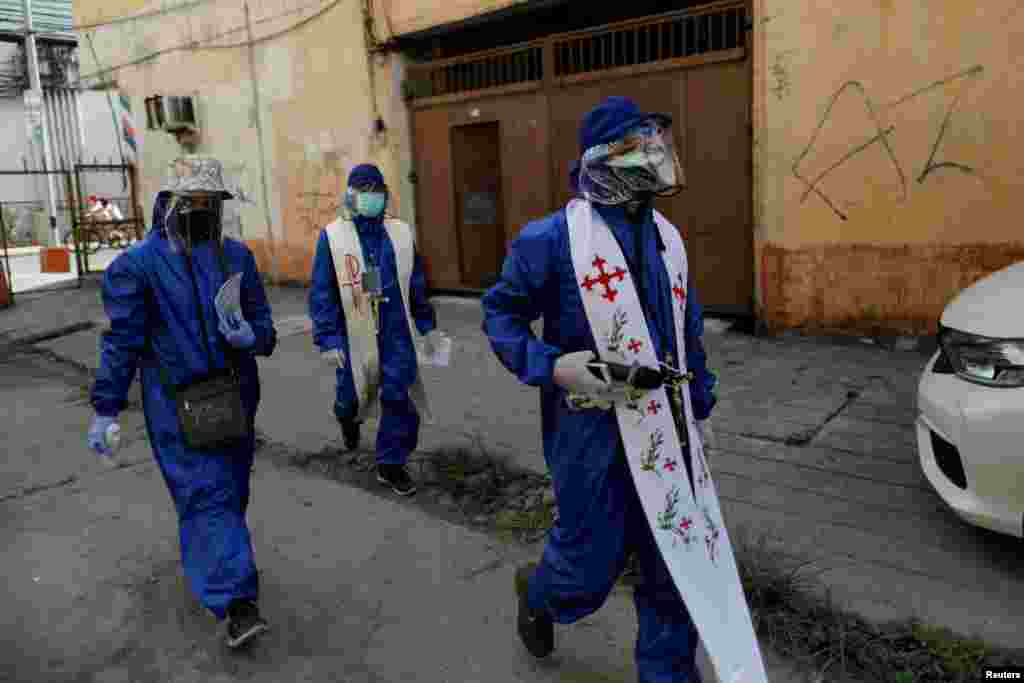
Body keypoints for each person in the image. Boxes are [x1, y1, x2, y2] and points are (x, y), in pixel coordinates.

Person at [482, 97, 719, 682]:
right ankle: (540, 595)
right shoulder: (553, 239)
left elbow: (686, 330)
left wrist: (702, 406)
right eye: (642, 146)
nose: (657, 157)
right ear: (607, 160)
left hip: (668, 429)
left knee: (675, 566)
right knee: (588, 569)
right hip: (591, 434)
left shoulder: (668, 238)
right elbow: (500, 313)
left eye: (657, 145)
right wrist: (550, 365)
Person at [87, 155, 278, 649]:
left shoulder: (236, 258)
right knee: (206, 495)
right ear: (169, 203)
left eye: (211, 203)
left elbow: (266, 329)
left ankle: (219, 567)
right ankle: (237, 602)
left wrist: (249, 335)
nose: (204, 212)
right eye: (193, 202)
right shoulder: (140, 267)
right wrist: (106, 406)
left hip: (235, 397)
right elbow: (122, 341)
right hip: (178, 406)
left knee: (228, 494)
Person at [309, 163, 445, 496]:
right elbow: (322, 292)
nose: (371, 198)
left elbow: (415, 283)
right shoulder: (334, 237)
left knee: (398, 396)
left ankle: (391, 464)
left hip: (395, 330)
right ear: (351, 196)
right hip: (354, 332)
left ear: (385, 195)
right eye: (363, 192)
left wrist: (426, 325)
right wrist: (327, 338)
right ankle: (347, 417)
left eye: (376, 192)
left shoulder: (400, 233)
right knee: (353, 394)